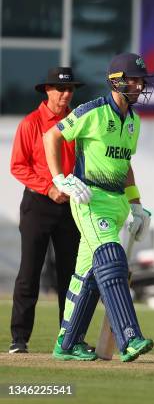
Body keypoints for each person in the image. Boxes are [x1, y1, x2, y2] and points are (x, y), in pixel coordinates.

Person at [43, 53, 154, 362]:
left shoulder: (133, 121)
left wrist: (137, 206)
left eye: (141, 80)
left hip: (117, 203)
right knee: (112, 261)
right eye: (132, 79)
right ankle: (129, 337)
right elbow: (51, 136)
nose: (139, 85)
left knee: (88, 274)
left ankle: (68, 342)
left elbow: (125, 164)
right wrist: (59, 178)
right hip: (89, 201)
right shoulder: (91, 111)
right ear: (115, 80)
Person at [8, 67, 84, 354]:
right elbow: (18, 166)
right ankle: (19, 338)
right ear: (47, 91)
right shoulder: (31, 124)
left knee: (70, 275)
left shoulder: (78, 122)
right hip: (38, 204)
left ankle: (70, 338)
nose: (66, 95)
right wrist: (48, 187)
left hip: (70, 206)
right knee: (30, 272)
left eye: (70, 90)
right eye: (60, 89)